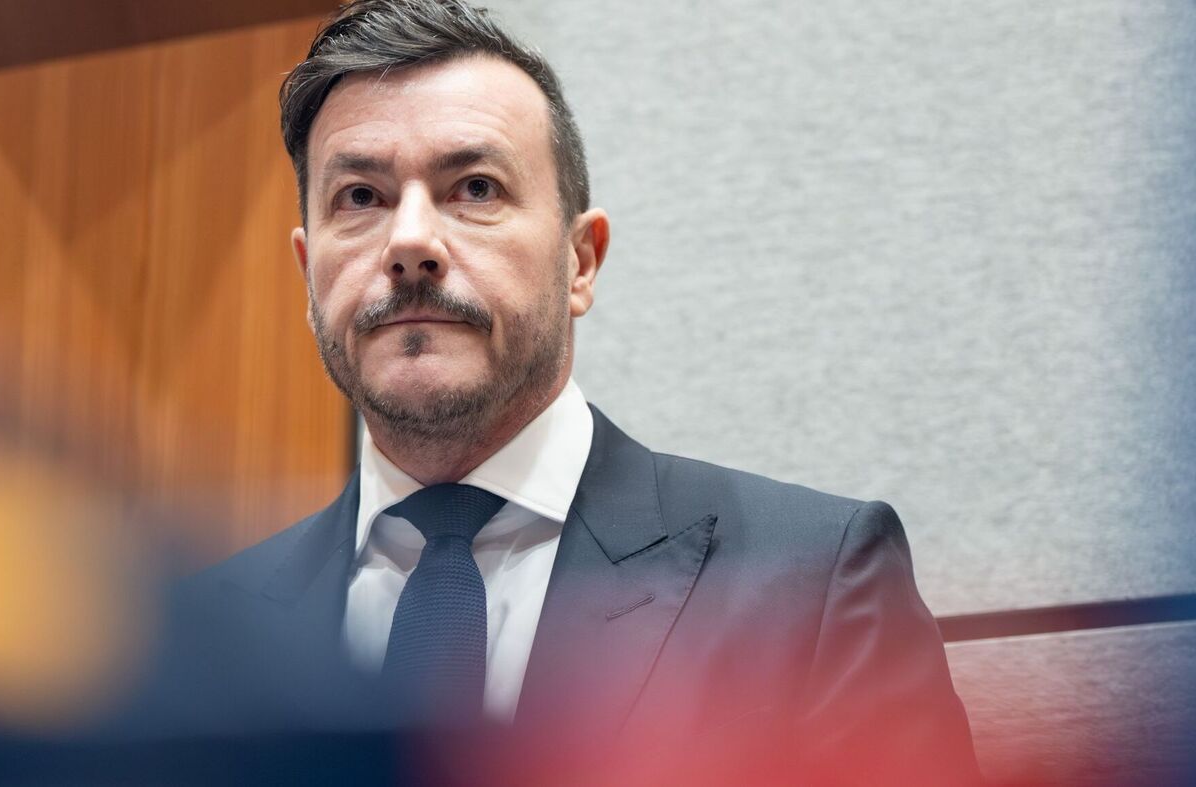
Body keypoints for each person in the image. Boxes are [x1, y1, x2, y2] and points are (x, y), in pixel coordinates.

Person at [188, 0, 981, 782]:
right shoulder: (193, 642)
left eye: (475, 188)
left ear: (581, 261)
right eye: (360, 197)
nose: (411, 241)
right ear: (309, 275)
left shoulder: (817, 585)